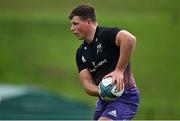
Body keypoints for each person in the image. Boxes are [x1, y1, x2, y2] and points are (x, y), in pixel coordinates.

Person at [69, 4, 140, 120]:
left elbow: (130, 39)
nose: (72, 28)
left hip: (126, 97)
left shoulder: (106, 35)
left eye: (75, 24)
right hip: (104, 102)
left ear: (88, 22)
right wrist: (102, 90)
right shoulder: (80, 53)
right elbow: (86, 83)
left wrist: (119, 70)